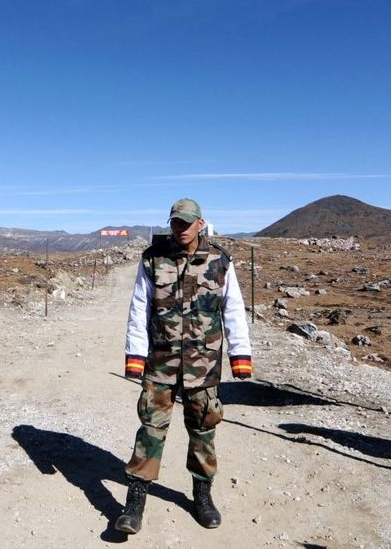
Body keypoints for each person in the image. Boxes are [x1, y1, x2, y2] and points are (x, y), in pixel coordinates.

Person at [115, 198, 252, 534]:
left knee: (203, 429)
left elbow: (233, 309)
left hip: (203, 364)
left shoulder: (220, 260)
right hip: (161, 362)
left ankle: (202, 494)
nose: (181, 228)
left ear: (200, 224)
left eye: (187, 223)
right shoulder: (153, 258)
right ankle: (135, 500)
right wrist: (135, 356)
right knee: (151, 428)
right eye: (176, 222)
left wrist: (240, 357)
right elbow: (139, 309)